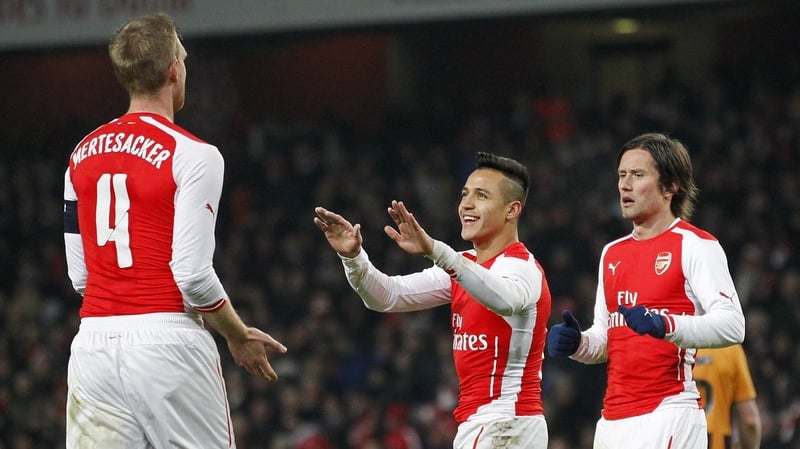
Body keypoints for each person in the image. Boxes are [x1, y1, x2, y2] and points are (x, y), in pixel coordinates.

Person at [62, 13, 286, 448]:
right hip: (168, 342)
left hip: (93, 347)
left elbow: (79, 276)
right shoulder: (195, 155)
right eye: (183, 58)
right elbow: (192, 275)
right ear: (172, 71)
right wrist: (237, 335)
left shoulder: (80, 154)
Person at [314, 152, 551, 449]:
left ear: (511, 209)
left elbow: (505, 299)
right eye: (465, 194)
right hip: (486, 425)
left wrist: (435, 250)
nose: (466, 204)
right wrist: (353, 258)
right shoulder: (464, 266)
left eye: (481, 195)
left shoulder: (522, 266)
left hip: (507, 424)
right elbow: (387, 296)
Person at [546, 132, 745, 449]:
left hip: (669, 413)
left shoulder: (695, 245)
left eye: (637, 175)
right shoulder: (612, 253)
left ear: (670, 186)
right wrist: (579, 344)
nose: (625, 185)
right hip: (612, 423)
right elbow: (606, 339)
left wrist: (665, 324)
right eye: (621, 175)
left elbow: (733, 325)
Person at [694, 344, 761, 449]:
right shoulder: (730, 348)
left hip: (681, 440)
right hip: (718, 442)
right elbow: (750, 420)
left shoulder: (675, 347)